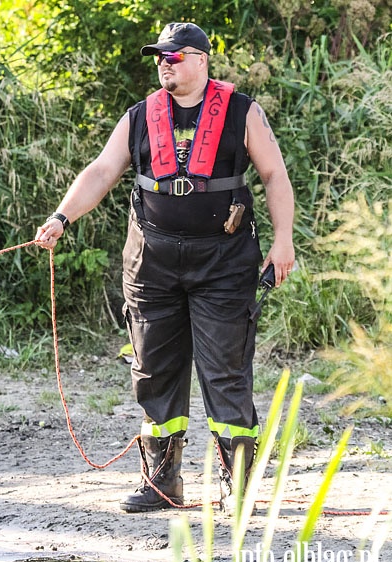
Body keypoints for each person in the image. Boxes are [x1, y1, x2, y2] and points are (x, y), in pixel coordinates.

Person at [35, 22, 295, 512]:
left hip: (223, 261)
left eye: (173, 57)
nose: (163, 63)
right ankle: (162, 481)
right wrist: (60, 217)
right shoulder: (139, 116)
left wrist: (283, 242)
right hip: (151, 261)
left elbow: (273, 174)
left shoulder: (242, 112)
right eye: (159, 56)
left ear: (200, 59)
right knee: (153, 370)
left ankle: (237, 484)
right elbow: (102, 170)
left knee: (225, 371)